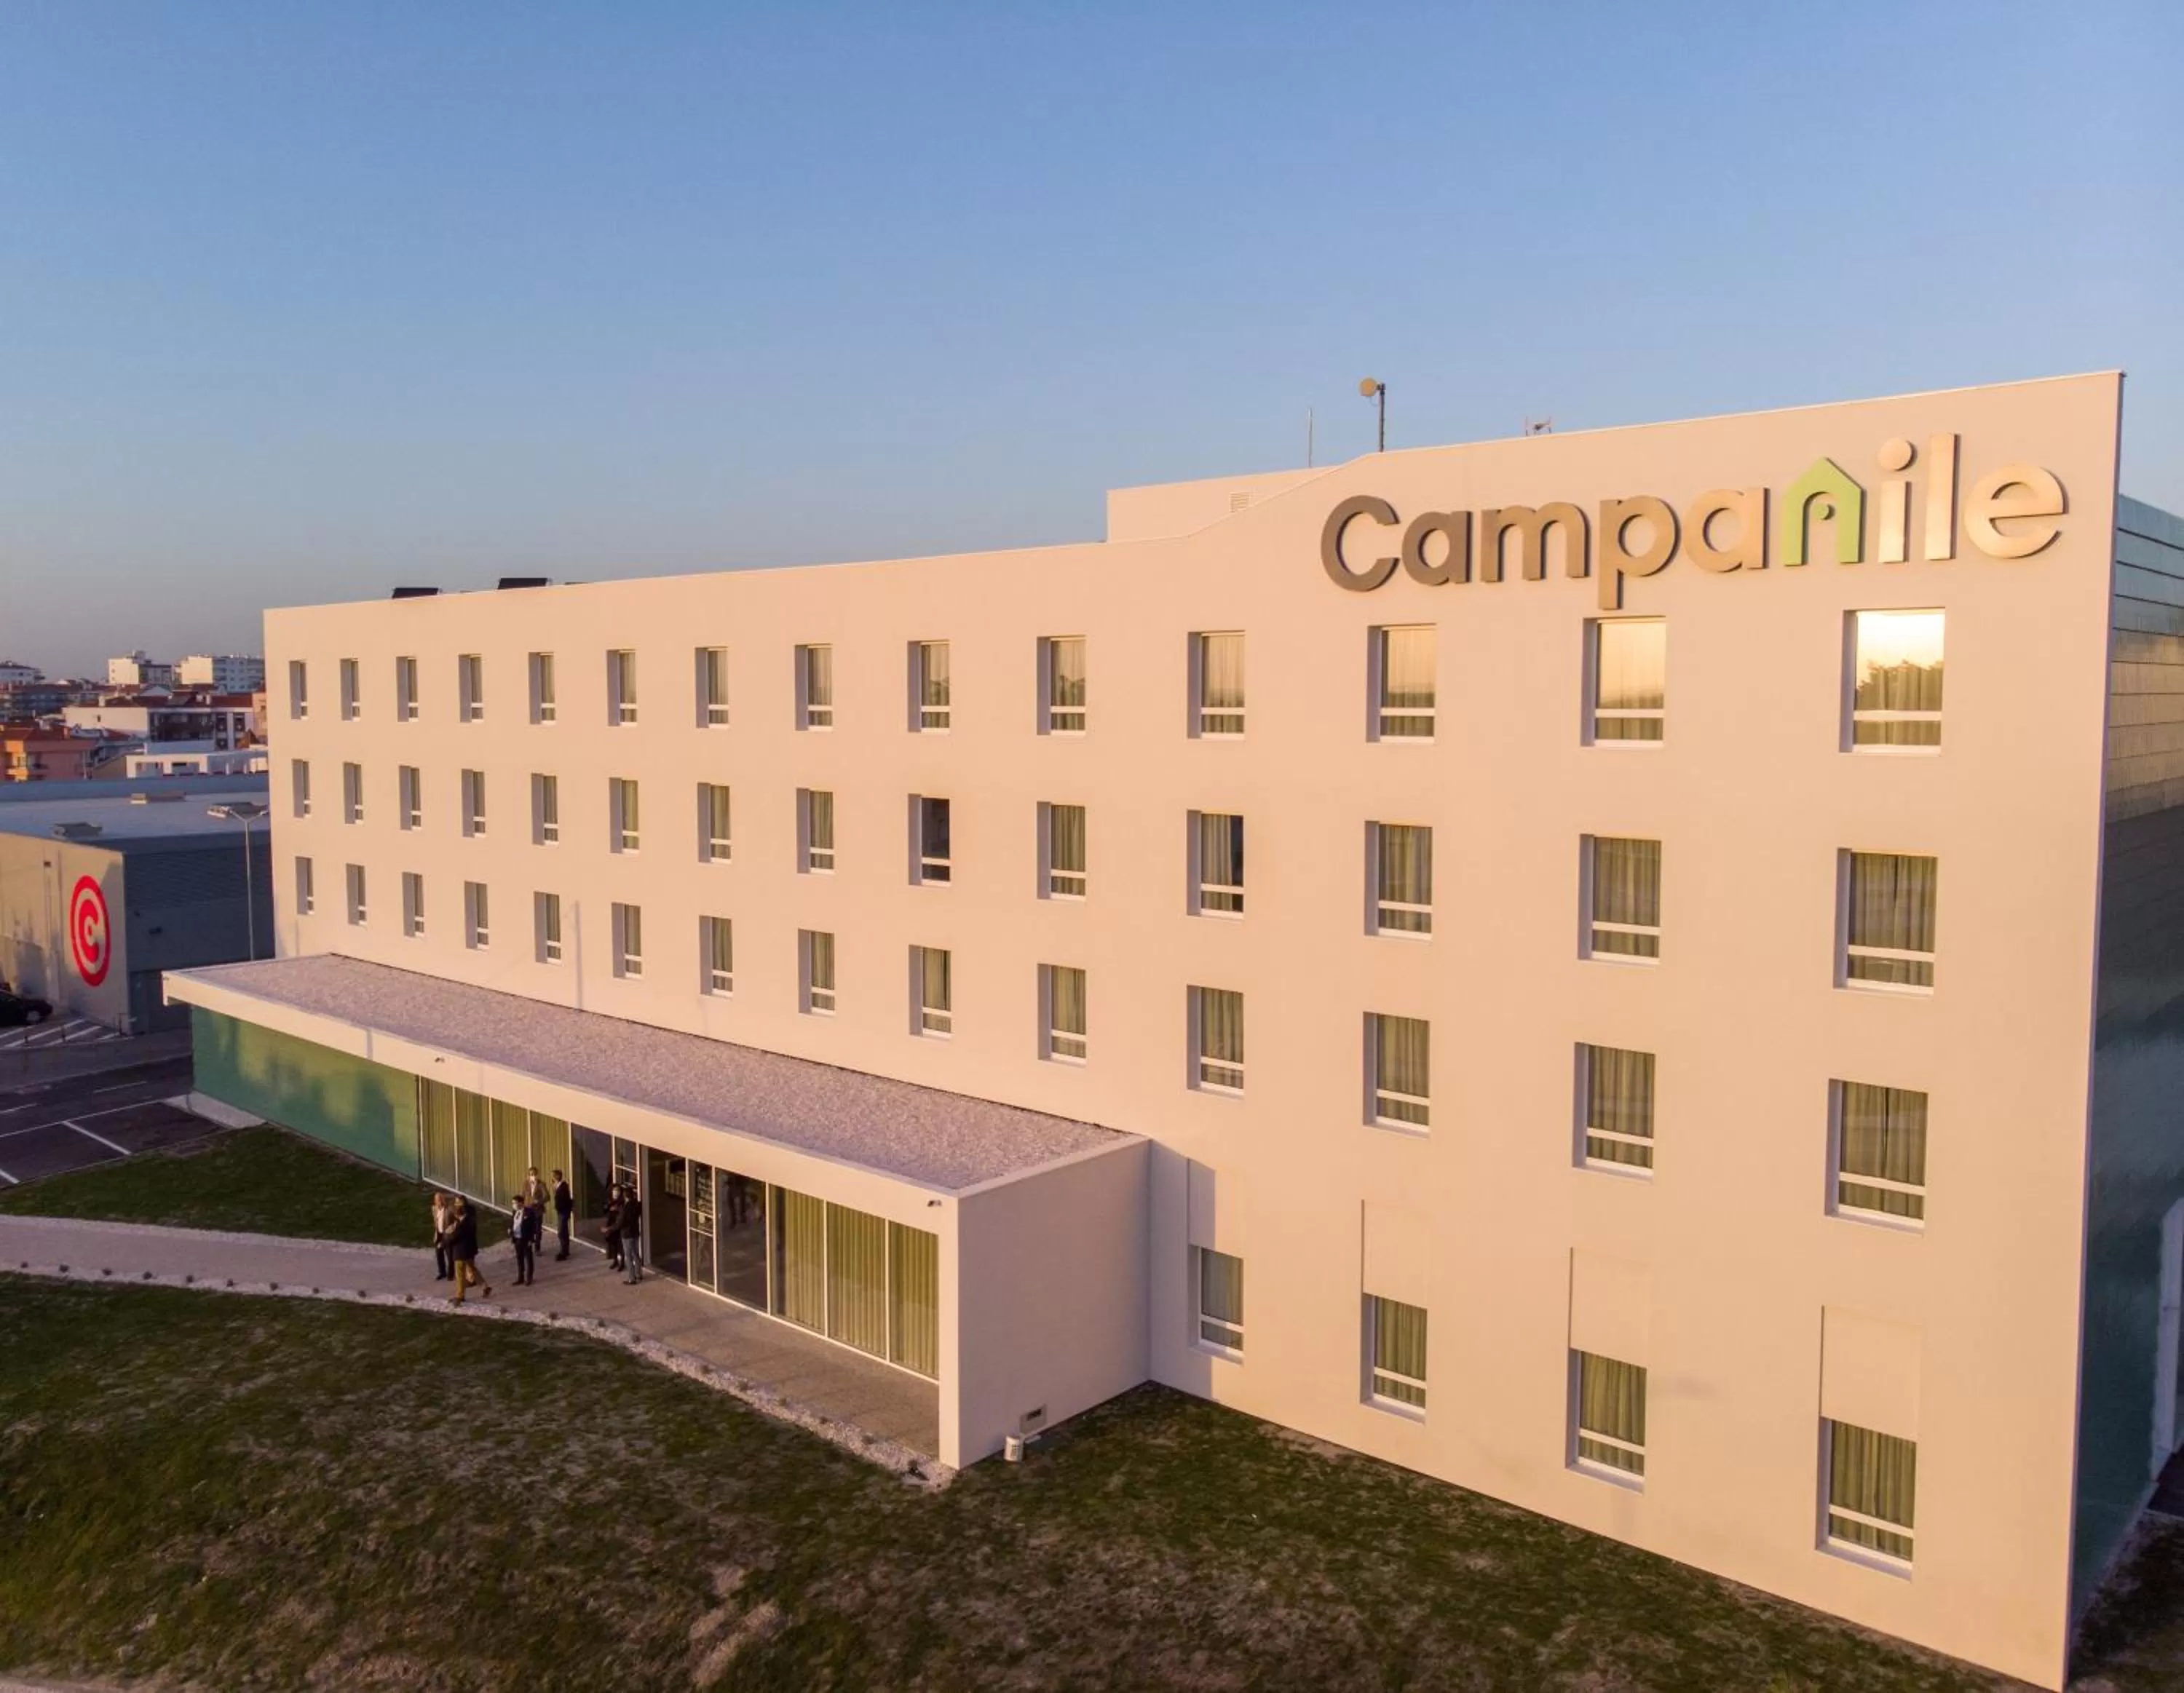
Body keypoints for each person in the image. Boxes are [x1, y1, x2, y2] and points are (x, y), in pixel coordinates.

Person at [448, 1197, 490, 1304]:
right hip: (469, 1250)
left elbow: (455, 1237)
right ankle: (485, 1286)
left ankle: (460, 1296)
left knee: (460, 1274)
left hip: (460, 1251)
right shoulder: (470, 1219)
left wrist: (450, 1234)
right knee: (472, 1269)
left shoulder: (462, 1223)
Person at [510, 1193, 538, 1287]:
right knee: (519, 1258)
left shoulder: (529, 1212)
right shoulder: (515, 1212)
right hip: (517, 1239)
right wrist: (511, 1230)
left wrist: (531, 1239)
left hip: (526, 1239)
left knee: (528, 1258)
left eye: (515, 1203)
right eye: (513, 1203)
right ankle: (520, 1277)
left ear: (521, 1203)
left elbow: (533, 1227)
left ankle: (529, 1277)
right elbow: (513, 1223)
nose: (514, 1205)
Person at [619, 1183, 644, 1284]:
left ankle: (632, 1278)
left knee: (629, 1256)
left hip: (627, 1234)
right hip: (635, 1233)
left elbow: (622, 1222)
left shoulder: (626, 1208)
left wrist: (610, 1229)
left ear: (625, 1196)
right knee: (636, 1254)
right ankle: (639, 1274)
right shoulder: (637, 1205)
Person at [430, 1191, 455, 1282]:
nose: (439, 1201)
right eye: (437, 1199)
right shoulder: (435, 1209)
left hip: (447, 1234)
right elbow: (435, 1221)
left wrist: (451, 1230)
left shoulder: (448, 1209)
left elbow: (453, 1221)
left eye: (440, 1199)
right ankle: (442, 1272)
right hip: (439, 1234)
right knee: (439, 1254)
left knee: (450, 1255)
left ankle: (451, 1274)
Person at [551, 1168, 574, 1261]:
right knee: (564, 1231)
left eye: (553, 1176)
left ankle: (563, 1252)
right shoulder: (557, 1186)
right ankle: (565, 1250)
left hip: (563, 1212)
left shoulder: (563, 1187)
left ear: (557, 1176)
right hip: (561, 1212)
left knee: (561, 1232)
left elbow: (565, 1201)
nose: (552, 1178)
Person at [603, 1187, 624, 1273]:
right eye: (614, 1192)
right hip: (611, 1223)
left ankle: (622, 1263)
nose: (615, 1193)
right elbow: (605, 1210)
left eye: (617, 1192)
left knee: (620, 1246)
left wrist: (616, 1209)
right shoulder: (610, 1201)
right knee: (613, 1244)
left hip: (618, 1225)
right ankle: (615, 1260)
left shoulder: (621, 1201)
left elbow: (623, 1213)